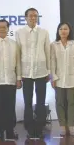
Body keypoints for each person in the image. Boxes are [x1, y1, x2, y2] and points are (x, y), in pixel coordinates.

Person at [15, 8, 51, 138]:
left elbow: (47, 51)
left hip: (41, 71)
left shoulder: (44, 32)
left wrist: (49, 71)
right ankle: (29, 128)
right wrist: (18, 76)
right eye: (30, 16)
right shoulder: (19, 32)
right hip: (26, 72)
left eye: (35, 16)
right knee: (28, 101)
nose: (33, 18)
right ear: (25, 18)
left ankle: (40, 127)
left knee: (40, 102)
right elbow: (18, 55)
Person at [50, 22, 74, 136]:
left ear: (69, 31)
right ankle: (62, 126)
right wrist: (53, 77)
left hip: (73, 79)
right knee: (59, 102)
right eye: (61, 29)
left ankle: (71, 125)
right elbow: (52, 62)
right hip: (58, 79)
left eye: (65, 29)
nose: (63, 31)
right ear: (58, 31)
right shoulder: (53, 45)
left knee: (72, 103)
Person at [0, 19, 21, 140]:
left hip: (10, 80)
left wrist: (18, 78)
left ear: (8, 29)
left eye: (4, 27)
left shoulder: (14, 44)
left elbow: (18, 63)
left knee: (10, 107)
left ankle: (10, 131)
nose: (2, 29)